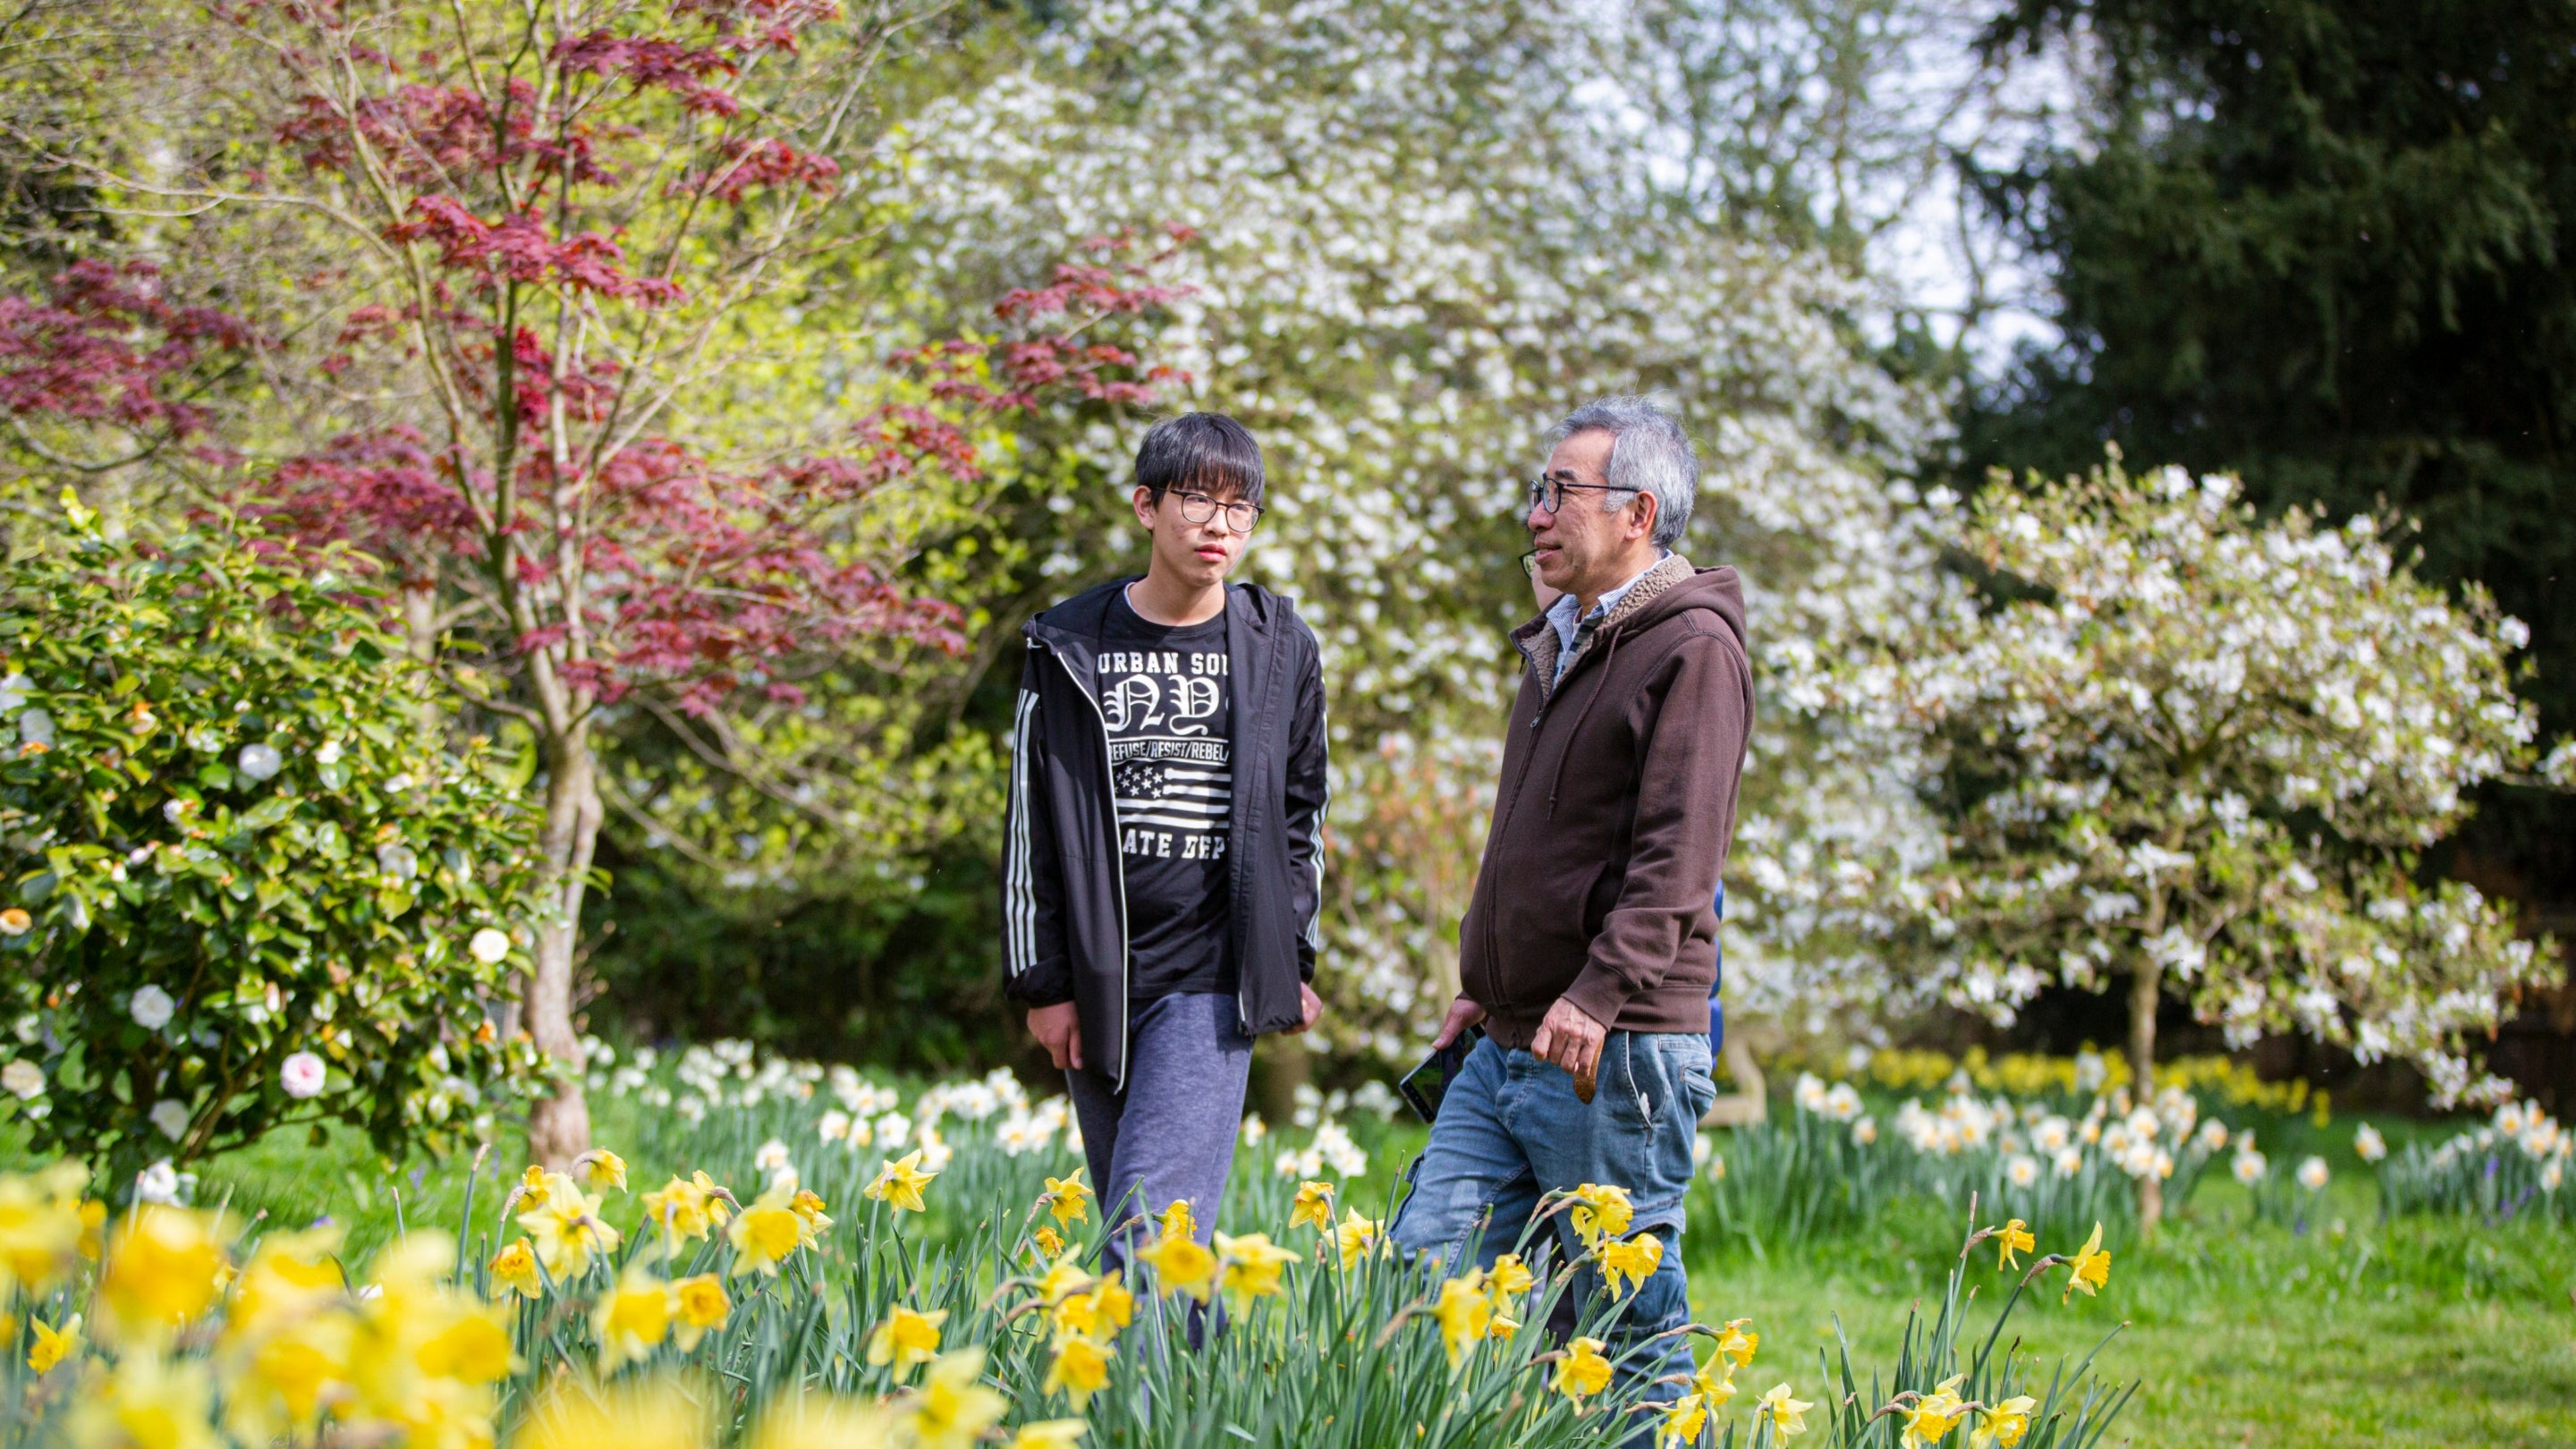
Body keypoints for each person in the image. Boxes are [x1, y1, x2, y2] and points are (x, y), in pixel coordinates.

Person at [1394, 396, 1752, 1402]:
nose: (1535, 514)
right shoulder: (1561, 640)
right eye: (1537, 491)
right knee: (1419, 1276)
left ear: (1637, 512)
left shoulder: (1693, 651)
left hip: (1616, 1048)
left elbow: (1678, 863)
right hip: (1512, 1036)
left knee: (1614, 1331)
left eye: (1560, 492)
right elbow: (1532, 843)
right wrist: (1487, 982)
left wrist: (1594, 995)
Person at [1001, 411, 1329, 1267]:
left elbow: (1302, 816)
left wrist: (1289, 955)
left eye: (1241, 508)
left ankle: (1119, 1402)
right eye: (1198, 500)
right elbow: (1029, 820)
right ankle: (1198, 1396)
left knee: (1147, 1231)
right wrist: (1043, 983)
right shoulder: (1067, 642)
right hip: (1100, 976)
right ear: (1147, 506)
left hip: (1209, 978)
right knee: (1144, 1231)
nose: (1220, 525)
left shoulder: (1279, 647)